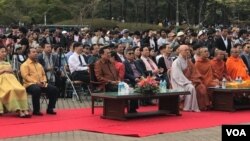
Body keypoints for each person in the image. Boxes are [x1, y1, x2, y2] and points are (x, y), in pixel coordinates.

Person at [20, 48, 58, 116]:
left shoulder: (39, 65)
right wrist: (36, 82)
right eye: (33, 52)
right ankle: (36, 110)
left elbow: (43, 75)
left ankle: (50, 108)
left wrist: (43, 81)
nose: (36, 53)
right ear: (28, 54)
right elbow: (25, 76)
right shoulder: (24, 65)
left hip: (41, 84)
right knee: (36, 89)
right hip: (29, 85)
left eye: (36, 52)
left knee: (54, 89)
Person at [0, 45, 30, 118]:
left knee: (21, 89)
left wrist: (10, 71)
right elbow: (8, 70)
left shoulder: (7, 62)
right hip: (2, 81)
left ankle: (24, 109)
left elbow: (12, 71)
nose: (4, 53)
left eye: (5, 52)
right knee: (11, 90)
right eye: (2, 52)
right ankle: (19, 110)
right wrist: (4, 70)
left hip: (12, 80)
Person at [171, 45, 200, 112]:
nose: (187, 51)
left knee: (193, 86)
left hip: (186, 81)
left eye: (188, 50)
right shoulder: (176, 62)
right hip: (179, 83)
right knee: (191, 87)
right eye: (185, 50)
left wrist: (193, 80)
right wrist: (188, 82)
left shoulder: (188, 61)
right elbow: (177, 76)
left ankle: (190, 106)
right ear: (180, 51)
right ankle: (187, 107)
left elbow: (193, 72)